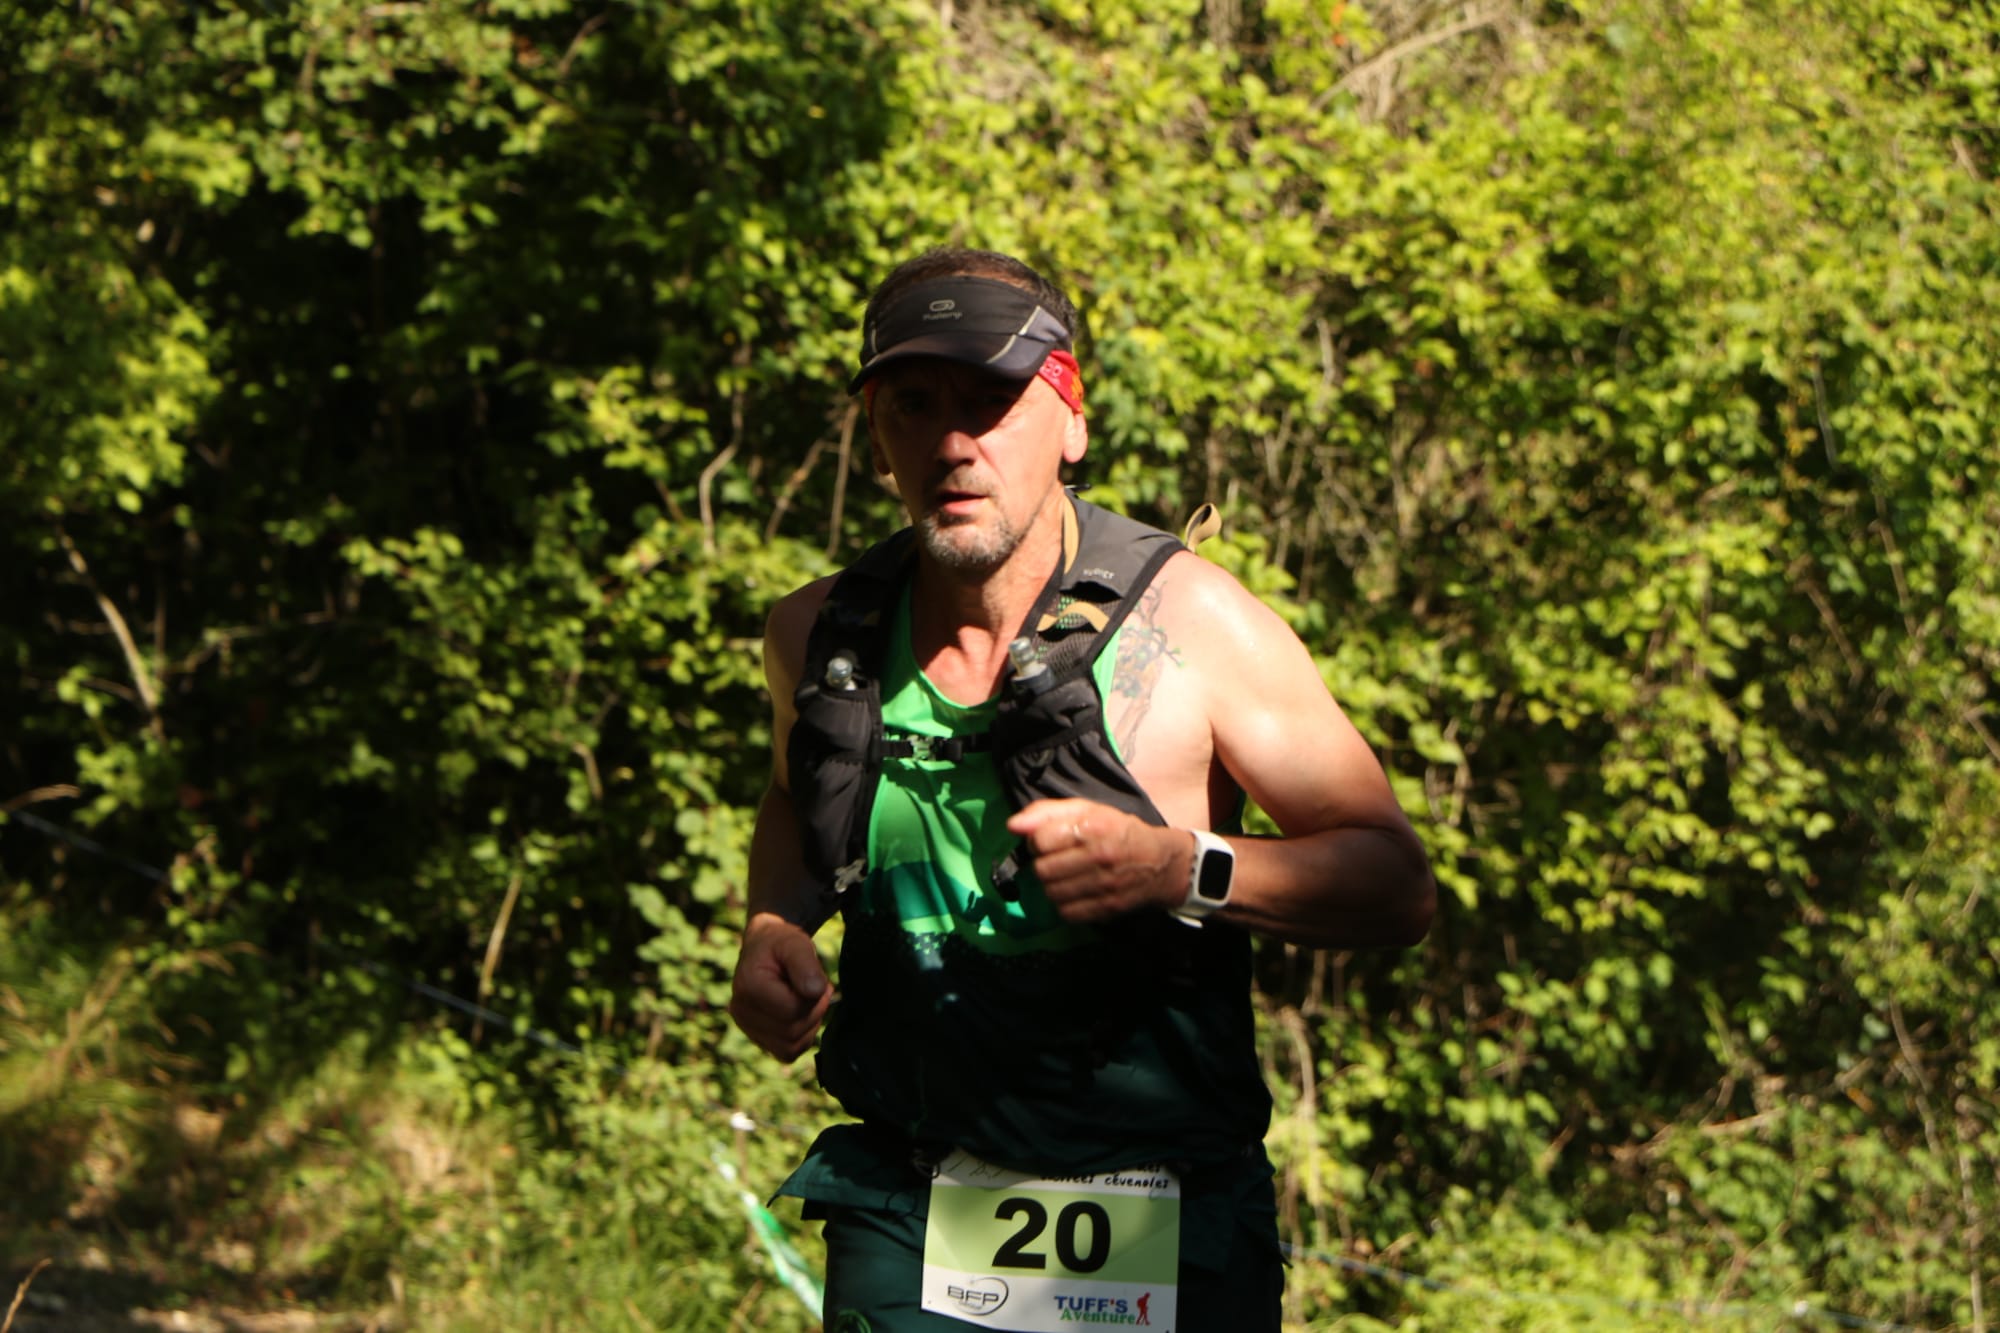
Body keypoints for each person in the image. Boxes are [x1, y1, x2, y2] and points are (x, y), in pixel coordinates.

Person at [729, 246, 1436, 1332]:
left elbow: (1393, 882)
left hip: (1160, 1205)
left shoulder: (1194, 626)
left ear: (1070, 418)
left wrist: (1176, 865)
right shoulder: (819, 636)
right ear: (877, 438)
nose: (954, 443)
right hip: (908, 1200)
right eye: (914, 406)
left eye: (994, 401)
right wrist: (774, 918)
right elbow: (792, 798)